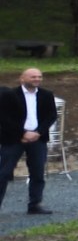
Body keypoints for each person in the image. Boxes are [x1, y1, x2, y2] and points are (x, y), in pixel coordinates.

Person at [0, 68, 58, 215]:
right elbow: (4, 117)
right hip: (14, 139)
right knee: (3, 173)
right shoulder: (9, 95)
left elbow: (52, 115)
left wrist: (38, 132)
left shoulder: (46, 95)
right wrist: (23, 133)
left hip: (38, 138)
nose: (37, 79)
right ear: (22, 78)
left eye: (39, 76)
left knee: (38, 173)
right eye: (33, 77)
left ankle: (35, 204)